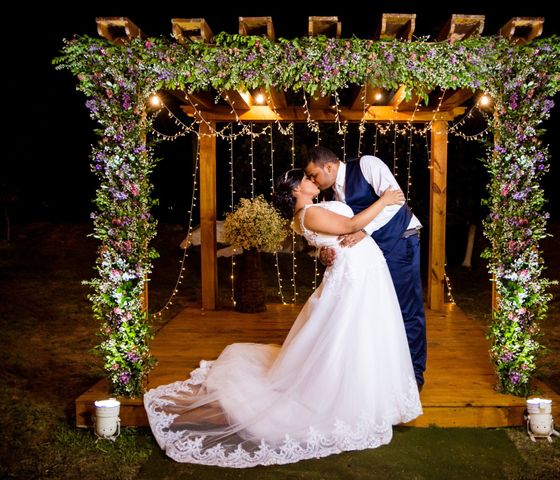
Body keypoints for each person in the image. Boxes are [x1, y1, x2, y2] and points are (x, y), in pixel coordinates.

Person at [144, 169, 422, 468]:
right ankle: (347, 394)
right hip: (355, 277)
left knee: (364, 332)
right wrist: (386, 200)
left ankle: (374, 391)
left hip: (361, 270)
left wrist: (327, 251)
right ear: (294, 191)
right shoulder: (308, 213)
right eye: (305, 179)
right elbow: (352, 224)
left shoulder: (313, 209)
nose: (312, 181)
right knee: (350, 334)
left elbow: (335, 236)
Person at [304, 146, 427, 391]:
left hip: (400, 243)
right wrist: (325, 252)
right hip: (370, 257)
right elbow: (338, 230)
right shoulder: (332, 197)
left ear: (328, 166)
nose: (311, 180)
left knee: (406, 309)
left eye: (313, 174)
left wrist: (364, 231)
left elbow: (396, 200)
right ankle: (387, 371)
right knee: (378, 312)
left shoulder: (367, 164)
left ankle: (414, 376)